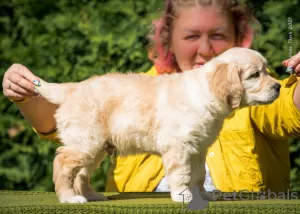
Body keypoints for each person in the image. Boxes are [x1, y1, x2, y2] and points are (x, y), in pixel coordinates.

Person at [2, 0, 300, 194]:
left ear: (240, 38)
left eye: (219, 36)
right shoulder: (136, 87)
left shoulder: (251, 95)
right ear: (168, 40)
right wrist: (27, 92)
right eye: (191, 36)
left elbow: (291, 108)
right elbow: (59, 125)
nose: (206, 49)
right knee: (83, 151)